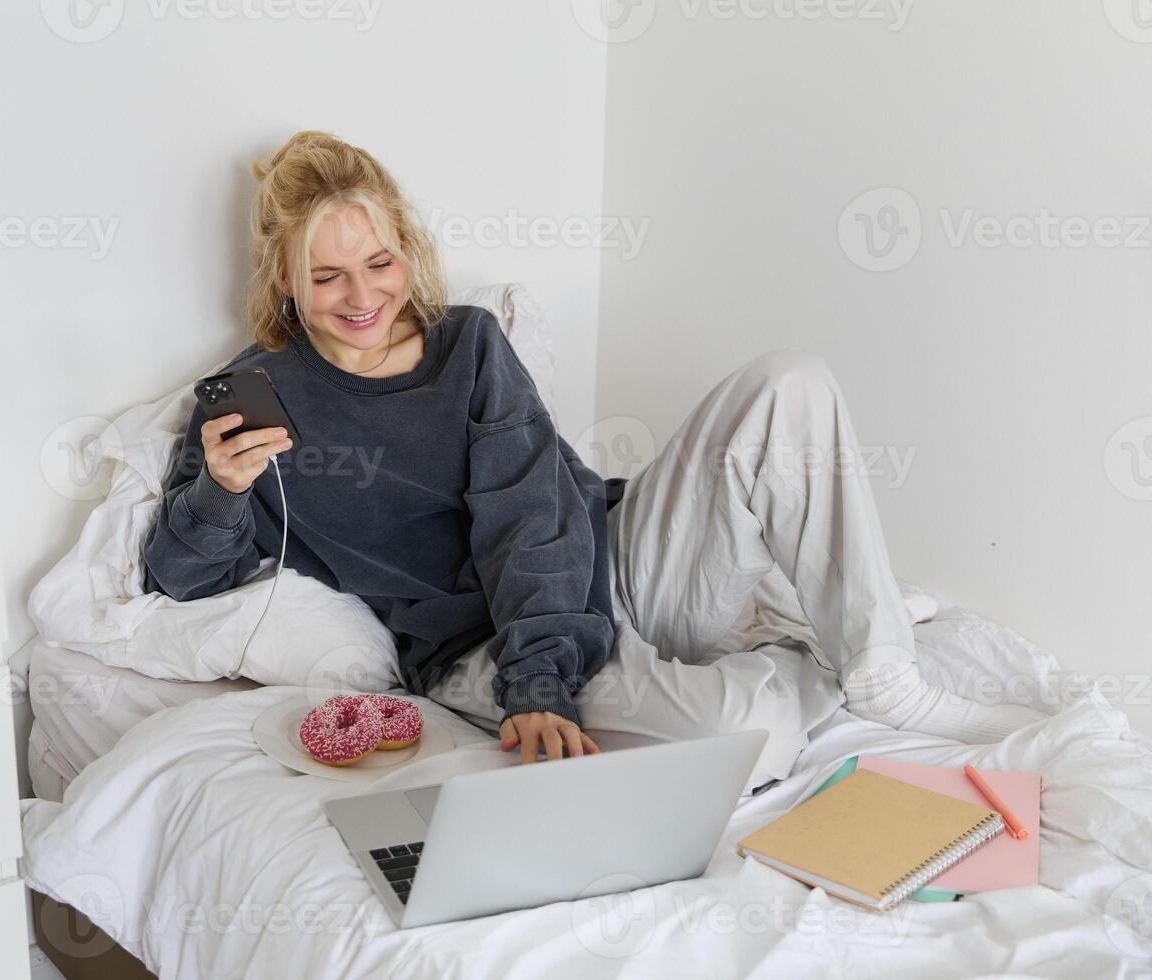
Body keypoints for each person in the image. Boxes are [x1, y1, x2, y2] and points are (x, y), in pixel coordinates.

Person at [141, 131, 1041, 787]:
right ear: (284, 278)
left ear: (404, 250)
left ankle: (882, 669)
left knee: (790, 382)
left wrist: (546, 667)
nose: (362, 297)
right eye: (328, 276)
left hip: (610, 553)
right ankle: (805, 650)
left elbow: (528, 511)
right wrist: (222, 490)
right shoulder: (253, 398)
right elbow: (178, 578)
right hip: (480, 647)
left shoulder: (471, 346)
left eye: (376, 263)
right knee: (752, 735)